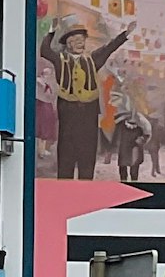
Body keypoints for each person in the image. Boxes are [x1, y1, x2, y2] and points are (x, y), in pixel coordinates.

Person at [40, 20, 131, 179]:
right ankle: (64, 187)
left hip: (88, 113)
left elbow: (108, 48)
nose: (79, 43)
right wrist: (51, 31)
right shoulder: (60, 60)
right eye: (75, 41)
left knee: (87, 155)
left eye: (81, 40)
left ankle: (86, 185)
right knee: (66, 154)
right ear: (68, 44)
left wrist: (125, 35)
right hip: (68, 112)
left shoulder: (92, 60)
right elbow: (45, 51)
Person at [110, 84, 151, 182]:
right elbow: (114, 134)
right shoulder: (120, 123)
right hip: (124, 147)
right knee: (123, 169)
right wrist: (110, 148)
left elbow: (147, 131)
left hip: (135, 147)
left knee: (134, 170)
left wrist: (142, 139)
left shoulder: (141, 120)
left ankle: (134, 184)